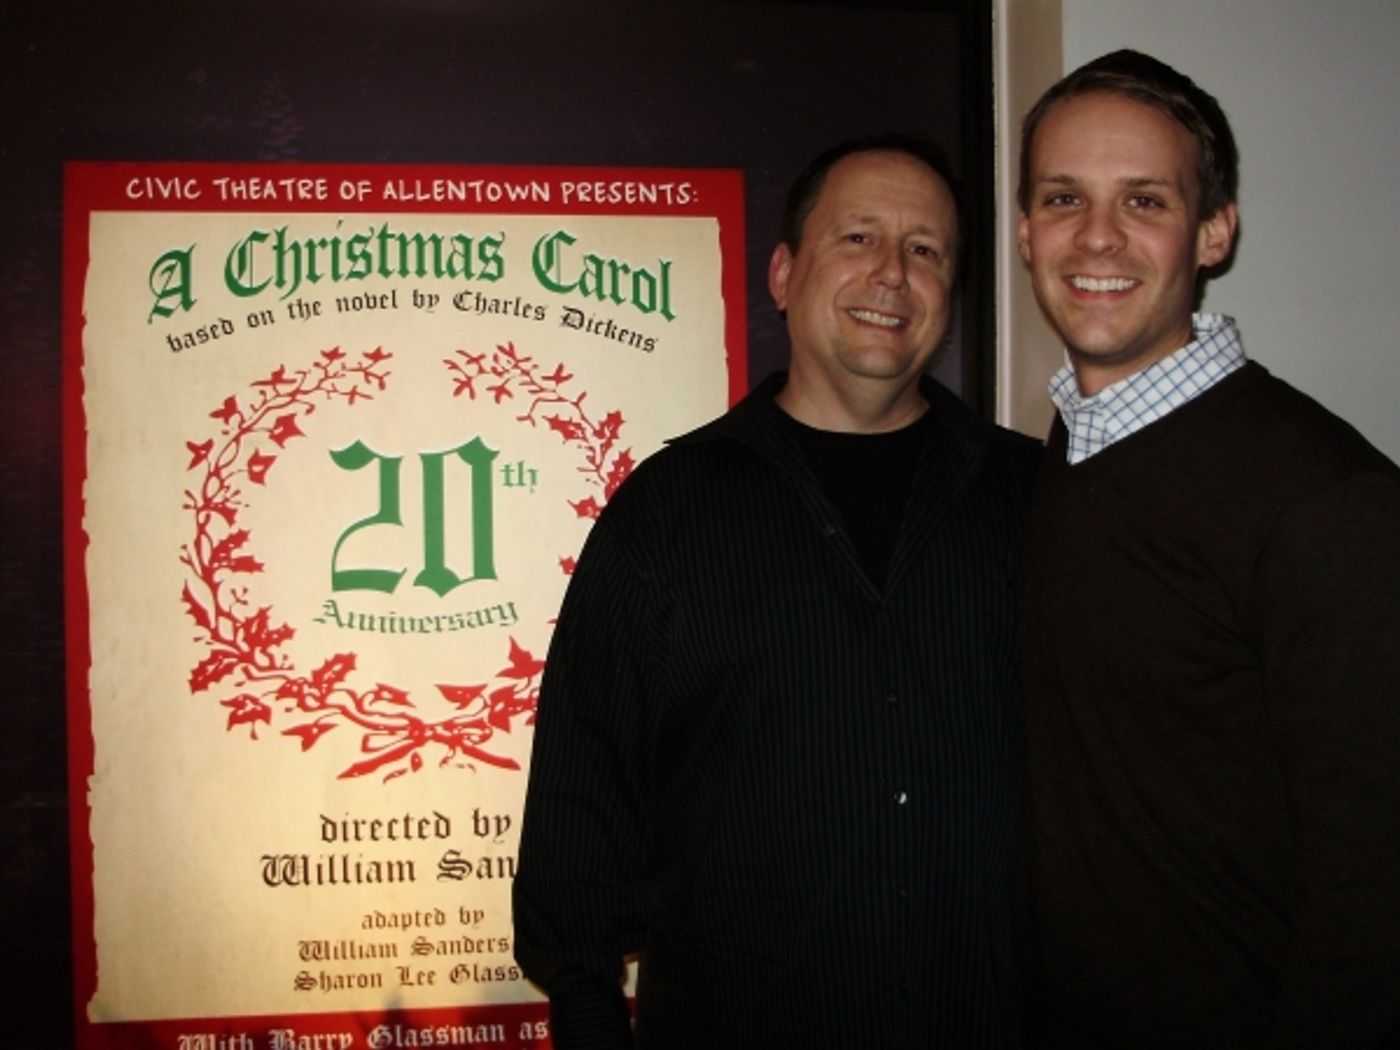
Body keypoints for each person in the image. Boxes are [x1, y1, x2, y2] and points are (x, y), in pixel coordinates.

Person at [514, 134, 1039, 1048]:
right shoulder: (665, 516)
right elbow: (578, 812)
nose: (891, 274)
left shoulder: (1038, 503)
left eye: (925, 250)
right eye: (858, 238)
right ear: (783, 273)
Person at [1015, 49, 1400, 1048]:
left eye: (1143, 200)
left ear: (1213, 232)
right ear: (1022, 230)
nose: (1094, 236)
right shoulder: (1064, 451)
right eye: (1062, 197)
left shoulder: (1326, 499)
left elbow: (1373, 886)